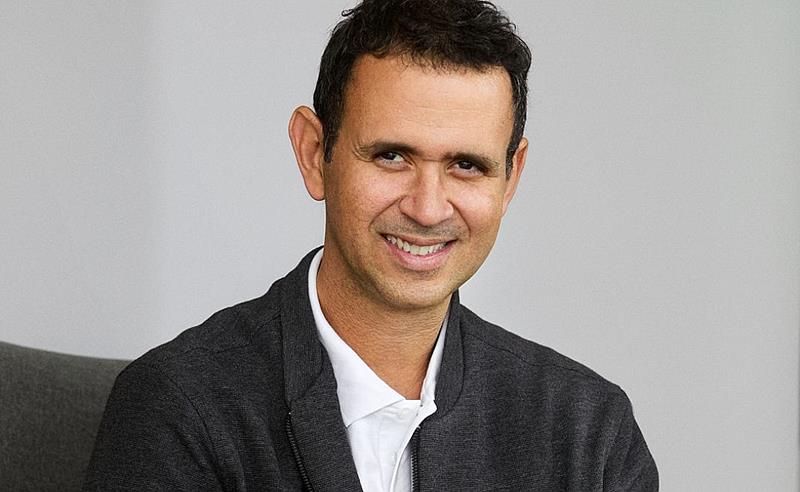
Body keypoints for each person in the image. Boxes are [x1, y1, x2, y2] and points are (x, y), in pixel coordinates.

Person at [84, 0, 658, 490]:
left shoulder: (590, 434)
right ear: (315, 154)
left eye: (466, 165)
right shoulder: (177, 407)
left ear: (511, 178)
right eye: (391, 156)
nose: (428, 208)